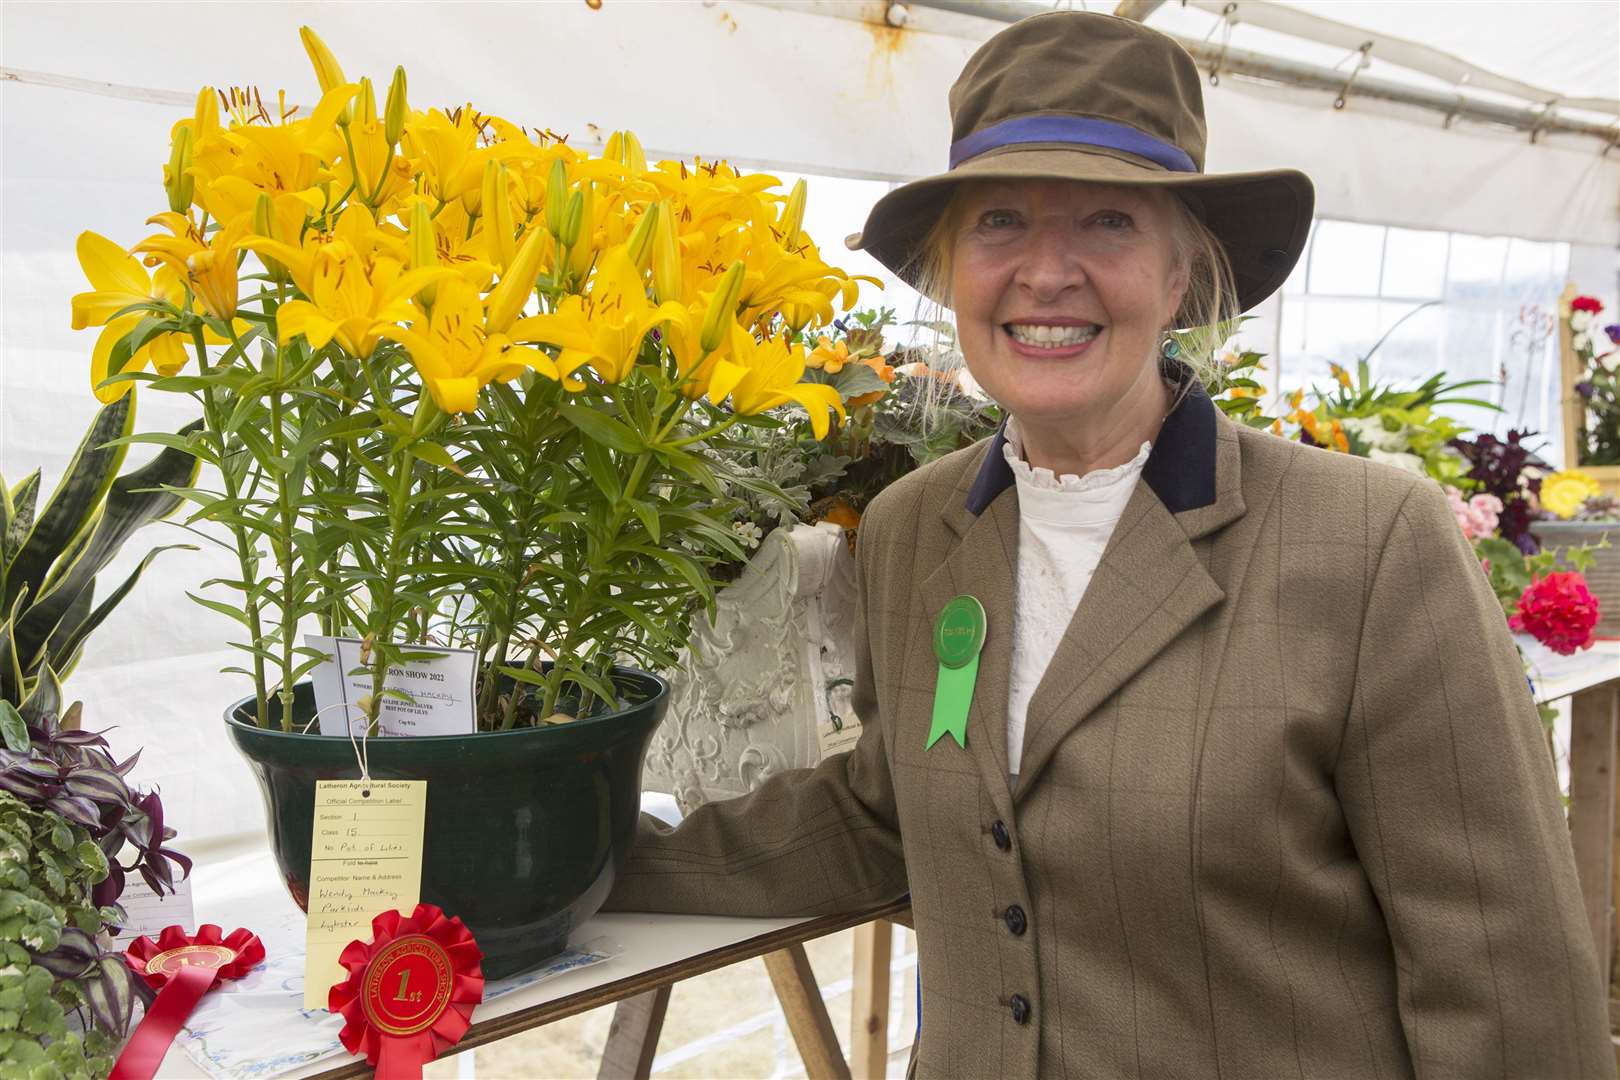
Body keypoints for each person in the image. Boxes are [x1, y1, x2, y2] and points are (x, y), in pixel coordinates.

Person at [605, 12, 1610, 1077]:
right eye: (999, 222)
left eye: (1108, 224)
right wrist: (583, 866)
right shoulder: (914, 528)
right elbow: (885, 817)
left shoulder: (1366, 542)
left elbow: (1503, 982)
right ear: (952, 273)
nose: (1047, 273)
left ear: (1181, 277)